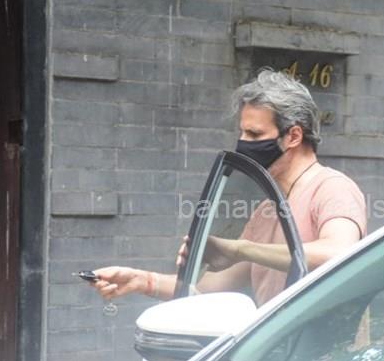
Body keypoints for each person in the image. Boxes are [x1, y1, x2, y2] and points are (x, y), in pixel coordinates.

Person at [93, 69, 367, 306]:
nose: (243, 143)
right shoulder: (266, 210)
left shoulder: (331, 187)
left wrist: (240, 249)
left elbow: (338, 254)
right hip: (275, 347)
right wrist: (143, 281)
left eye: (255, 134)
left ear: (294, 136)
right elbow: (209, 290)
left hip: (321, 349)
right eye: (242, 132)